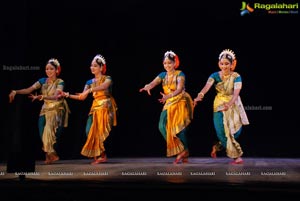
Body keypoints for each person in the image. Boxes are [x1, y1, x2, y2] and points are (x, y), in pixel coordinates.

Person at [8, 58, 70, 164]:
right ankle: (50, 154)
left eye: (51, 69)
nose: (48, 71)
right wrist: (15, 91)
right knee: (42, 132)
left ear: (56, 70)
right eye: (46, 69)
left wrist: (42, 97)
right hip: (45, 109)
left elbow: (56, 97)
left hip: (56, 109)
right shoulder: (42, 81)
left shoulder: (60, 82)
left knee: (51, 132)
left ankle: (49, 155)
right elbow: (29, 89)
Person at [193, 49, 249, 164]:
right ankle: (236, 157)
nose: (224, 66)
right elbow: (206, 87)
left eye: (227, 64)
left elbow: (236, 93)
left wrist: (229, 104)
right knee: (221, 132)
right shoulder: (214, 75)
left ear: (232, 64)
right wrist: (200, 95)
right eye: (222, 64)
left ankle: (217, 146)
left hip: (232, 105)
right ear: (219, 63)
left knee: (235, 132)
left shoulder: (236, 76)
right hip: (219, 106)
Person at [61, 54, 117, 165]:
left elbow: (104, 86)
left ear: (101, 67)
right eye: (91, 66)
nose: (92, 68)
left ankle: (101, 156)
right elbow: (82, 97)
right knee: (88, 131)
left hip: (106, 107)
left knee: (100, 132)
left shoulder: (107, 78)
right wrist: (67, 95)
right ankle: (101, 154)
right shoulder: (89, 82)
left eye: (95, 66)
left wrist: (90, 90)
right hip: (95, 108)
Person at [139, 50, 193, 164]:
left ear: (174, 63)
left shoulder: (180, 74)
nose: (167, 65)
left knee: (180, 129)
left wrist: (168, 95)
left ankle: (183, 152)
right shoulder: (163, 75)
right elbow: (154, 82)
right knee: (162, 126)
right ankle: (182, 150)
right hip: (169, 102)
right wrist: (147, 86)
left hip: (180, 101)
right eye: (165, 63)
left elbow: (179, 89)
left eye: (169, 63)